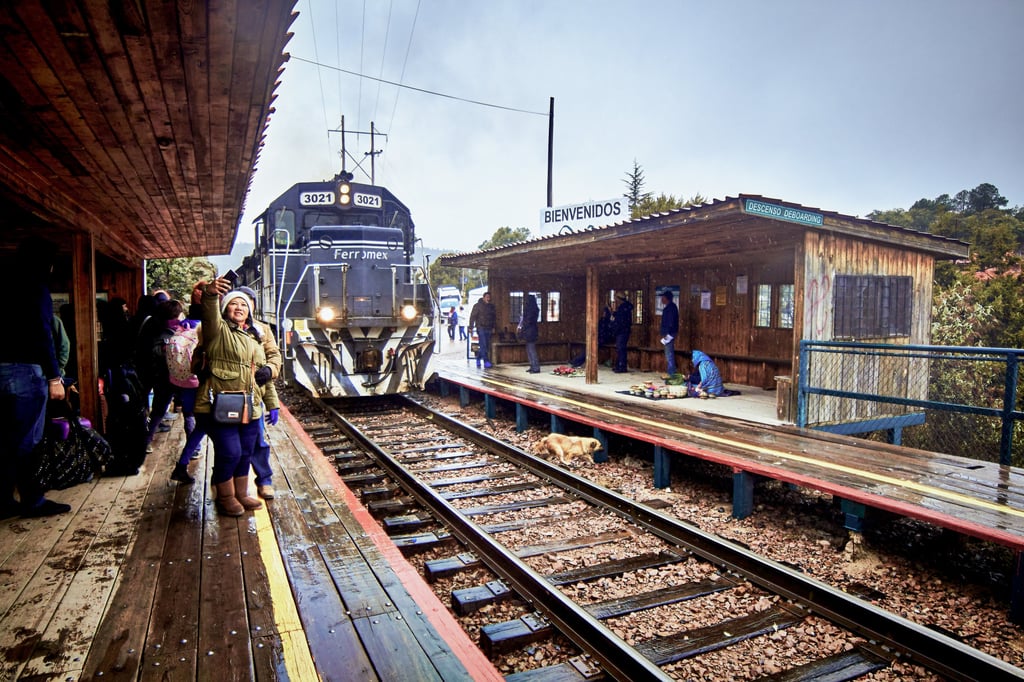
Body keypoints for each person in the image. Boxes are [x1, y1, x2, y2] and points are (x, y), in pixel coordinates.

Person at [0, 236, 70, 518]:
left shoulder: (3, 282)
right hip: (25, 371)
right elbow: (42, 334)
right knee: (28, 441)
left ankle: (4, 502)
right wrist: (55, 377)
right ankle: (33, 501)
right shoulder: (35, 287)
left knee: (5, 439)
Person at [196, 279, 274, 516]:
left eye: (243, 305)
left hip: (250, 405)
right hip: (220, 404)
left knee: (246, 452)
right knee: (230, 452)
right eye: (233, 304)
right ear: (225, 309)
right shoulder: (216, 332)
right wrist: (210, 295)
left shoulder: (254, 337)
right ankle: (226, 497)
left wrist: (271, 402)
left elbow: (263, 371)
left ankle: (242, 494)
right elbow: (209, 316)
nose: (239, 308)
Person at [236, 285, 282, 500]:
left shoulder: (263, 330)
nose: (243, 306)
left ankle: (264, 480)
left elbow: (274, 356)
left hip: (255, 394)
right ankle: (229, 488)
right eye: (239, 301)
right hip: (228, 395)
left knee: (258, 440)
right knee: (230, 446)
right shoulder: (223, 329)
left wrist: (269, 370)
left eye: (248, 302)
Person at [468, 291, 496, 368]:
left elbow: (494, 318)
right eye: (487, 297)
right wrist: (471, 327)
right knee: (483, 344)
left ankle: (478, 358)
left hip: (489, 328)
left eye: (489, 297)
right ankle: (486, 361)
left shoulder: (491, 307)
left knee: (486, 345)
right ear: (483, 298)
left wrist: (493, 327)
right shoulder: (477, 306)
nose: (488, 299)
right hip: (481, 327)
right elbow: (472, 317)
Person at [518, 294, 540, 373]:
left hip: (529, 330)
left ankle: (535, 367)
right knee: (529, 349)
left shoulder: (530, 309)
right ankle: (533, 365)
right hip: (532, 330)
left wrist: (523, 327)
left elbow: (528, 320)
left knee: (531, 349)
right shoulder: (535, 308)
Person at [659, 290, 679, 377]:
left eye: (662, 297)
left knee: (669, 354)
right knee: (669, 353)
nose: (661, 299)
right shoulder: (671, 307)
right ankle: (671, 371)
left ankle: (671, 373)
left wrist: (668, 333)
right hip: (670, 332)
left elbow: (670, 322)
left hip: (670, 333)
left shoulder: (670, 308)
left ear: (666, 298)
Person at [612, 294, 633, 373]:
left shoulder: (622, 308)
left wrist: (615, 329)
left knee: (621, 349)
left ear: (619, 299)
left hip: (622, 331)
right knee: (620, 349)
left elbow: (620, 321)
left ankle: (622, 367)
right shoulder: (626, 307)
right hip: (624, 330)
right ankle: (619, 365)